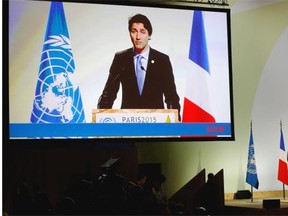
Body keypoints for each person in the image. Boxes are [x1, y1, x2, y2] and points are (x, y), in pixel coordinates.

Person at [97, 14, 181, 120]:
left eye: (142, 31)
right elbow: (108, 94)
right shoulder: (121, 58)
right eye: (134, 31)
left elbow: (171, 97)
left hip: (156, 124)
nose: (138, 37)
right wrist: (101, 119)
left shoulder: (162, 60)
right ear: (130, 34)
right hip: (128, 124)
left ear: (149, 35)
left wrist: (175, 122)